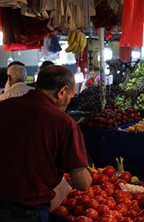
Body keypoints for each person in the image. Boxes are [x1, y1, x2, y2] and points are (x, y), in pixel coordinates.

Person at [0, 65, 93, 221]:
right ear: (62, 91)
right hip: (28, 212)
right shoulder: (63, 123)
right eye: (69, 97)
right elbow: (82, 183)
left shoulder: (4, 107)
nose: (68, 103)